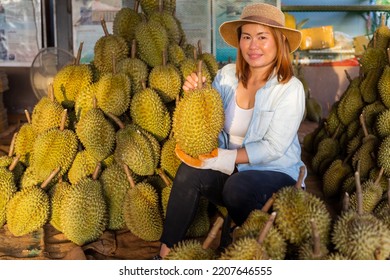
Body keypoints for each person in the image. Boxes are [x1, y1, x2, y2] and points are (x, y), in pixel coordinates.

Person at [156, 2, 306, 259]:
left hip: (276, 174)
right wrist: (197, 94)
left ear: (279, 42)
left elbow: (273, 147)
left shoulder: (290, 88)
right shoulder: (226, 76)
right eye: (246, 37)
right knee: (189, 171)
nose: (253, 45)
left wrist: (225, 158)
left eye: (262, 37)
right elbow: (208, 119)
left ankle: (244, 235)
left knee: (237, 187)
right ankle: (164, 255)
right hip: (231, 170)